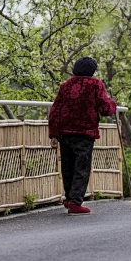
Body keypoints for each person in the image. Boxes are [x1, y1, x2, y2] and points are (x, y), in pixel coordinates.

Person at [48, 57, 117, 215]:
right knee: (82, 167)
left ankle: (69, 198)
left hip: (65, 132)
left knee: (68, 167)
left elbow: (55, 110)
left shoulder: (65, 85)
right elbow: (105, 109)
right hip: (85, 133)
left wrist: (53, 134)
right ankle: (75, 201)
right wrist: (113, 103)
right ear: (92, 71)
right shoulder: (95, 84)